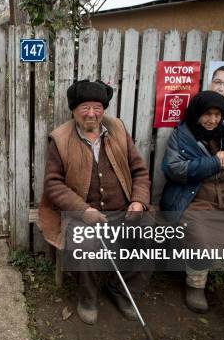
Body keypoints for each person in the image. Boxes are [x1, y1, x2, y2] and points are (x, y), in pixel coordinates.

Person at [38, 79, 151, 325]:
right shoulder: (60, 139)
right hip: (82, 214)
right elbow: (54, 184)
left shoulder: (118, 130)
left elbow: (140, 172)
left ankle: (120, 290)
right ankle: (87, 297)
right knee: (84, 241)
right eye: (85, 108)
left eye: (97, 107)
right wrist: (83, 210)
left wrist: (138, 202)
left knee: (150, 236)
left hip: (122, 211)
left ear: (104, 109)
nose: (91, 113)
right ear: (74, 110)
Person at [160, 90, 224, 340]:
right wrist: (214, 163)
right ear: (197, 113)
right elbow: (173, 169)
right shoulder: (183, 135)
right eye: (207, 114)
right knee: (199, 236)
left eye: (217, 115)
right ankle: (195, 285)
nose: (212, 120)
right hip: (196, 200)